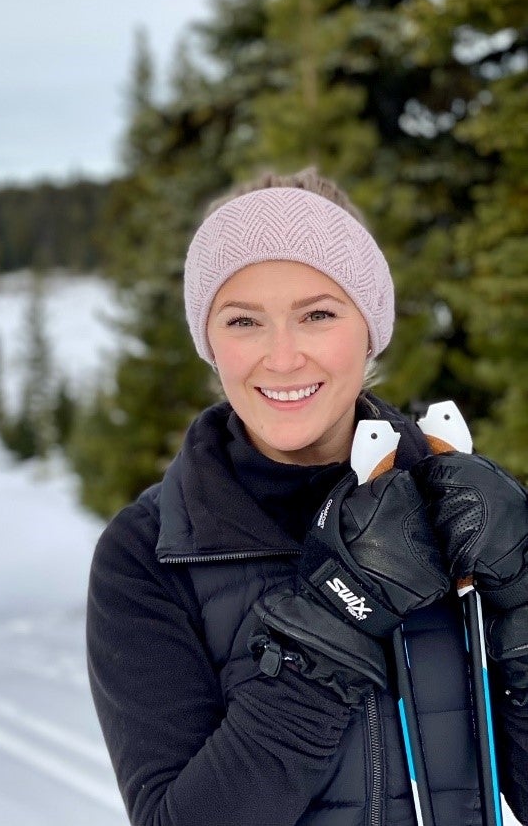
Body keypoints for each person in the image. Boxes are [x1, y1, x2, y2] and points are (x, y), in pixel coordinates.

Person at [86, 169, 528, 826]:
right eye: (243, 320)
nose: (283, 356)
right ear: (210, 341)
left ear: (369, 328)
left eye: (317, 313)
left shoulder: (461, 510)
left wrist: (520, 602)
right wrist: (332, 629)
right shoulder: (152, 552)